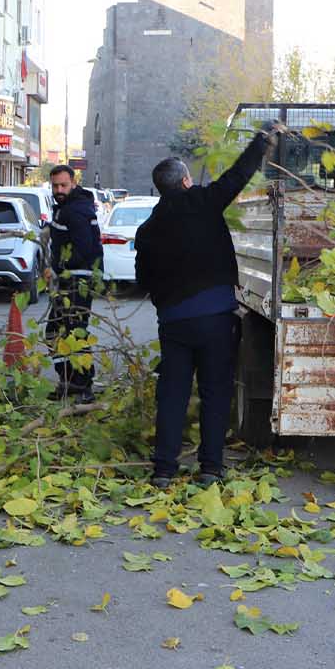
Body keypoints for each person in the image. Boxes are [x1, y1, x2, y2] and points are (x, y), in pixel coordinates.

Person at [134, 124, 280, 487]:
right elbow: (238, 175)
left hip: (174, 324)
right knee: (215, 392)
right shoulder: (204, 202)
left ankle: (164, 470)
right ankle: (210, 468)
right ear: (185, 181)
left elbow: (143, 280)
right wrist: (262, 141)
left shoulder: (148, 229)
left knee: (173, 394)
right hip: (215, 318)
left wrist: (167, 302)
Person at [44, 164, 103, 403]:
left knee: (74, 332)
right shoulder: (67, 208)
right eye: (55, 185)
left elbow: (84, 249)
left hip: (78, 281)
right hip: (69, 280)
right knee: (56, 332)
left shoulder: (75, 211)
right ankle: (69, 382)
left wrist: (58, 268)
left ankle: (83, 385)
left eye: (63, 185)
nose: (59, 190)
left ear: (73, 183)